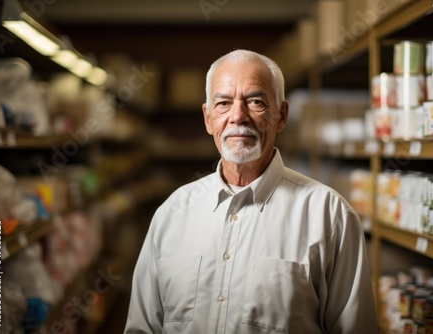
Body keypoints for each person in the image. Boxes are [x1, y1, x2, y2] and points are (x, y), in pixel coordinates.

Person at [124, 49, 378, 333]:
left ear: (281, 116)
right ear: (208, 119)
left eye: (255, 101)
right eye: (223, 103)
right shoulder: (172, 214)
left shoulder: (330, 217)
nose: (238, 116)